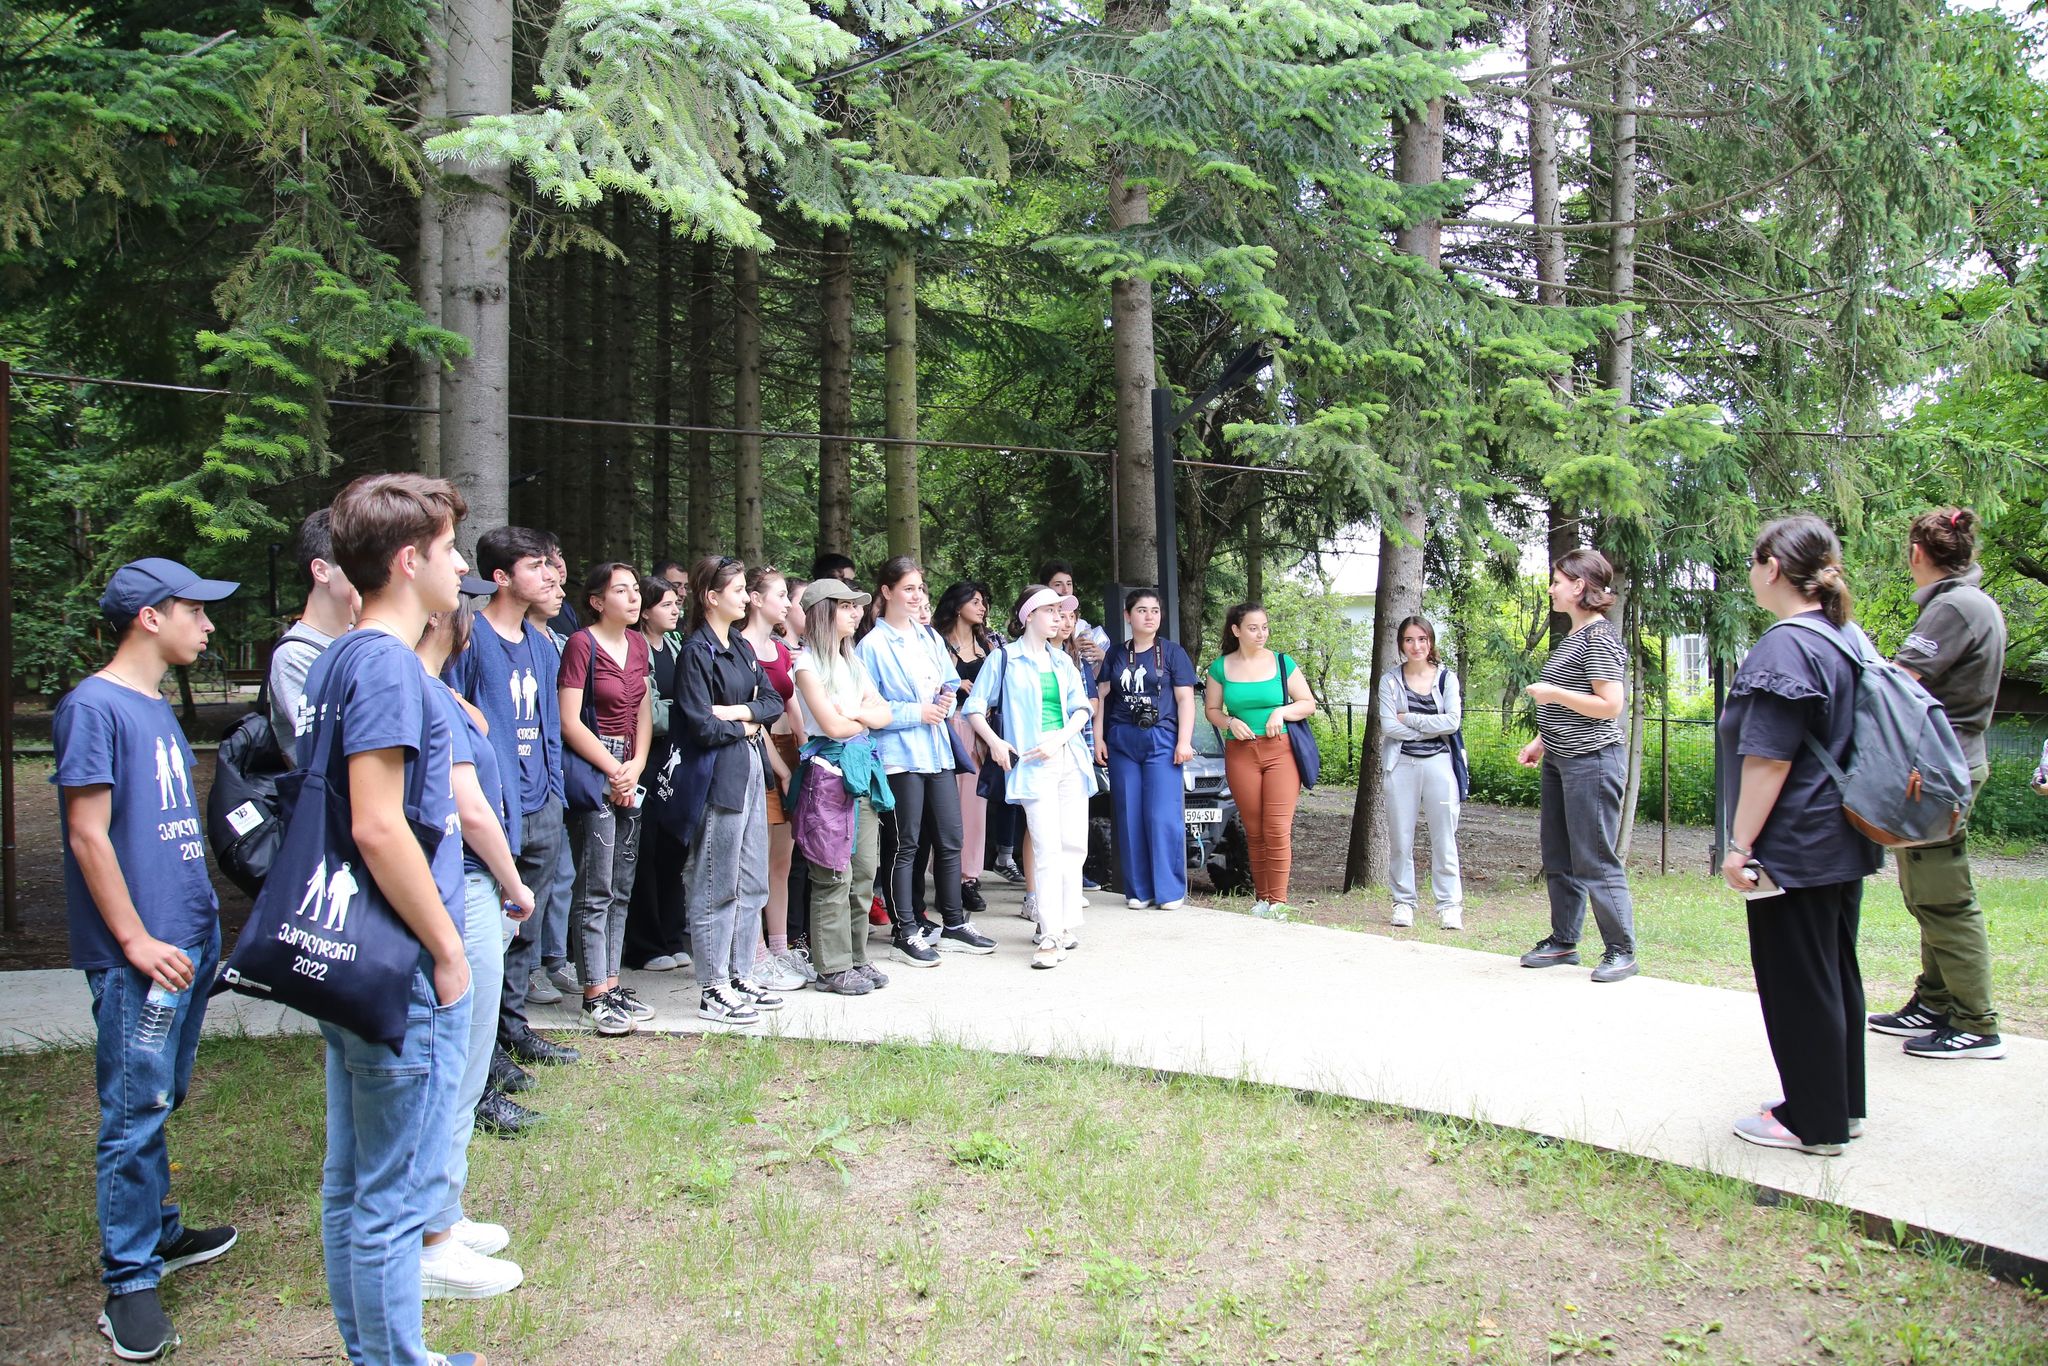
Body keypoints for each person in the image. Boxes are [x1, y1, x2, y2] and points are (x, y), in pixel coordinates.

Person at [301, 472, 490, 1366]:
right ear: (409, 561)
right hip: (399, 958)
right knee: (388, 1194)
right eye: (449, 550)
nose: (459, 568)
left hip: (360, 953)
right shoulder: (382, 664)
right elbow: (378, 824)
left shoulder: (341, 654)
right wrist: (447, 949)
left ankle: (377, 1356)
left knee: (352, 1181)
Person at [56, 557, 240, 1362]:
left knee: (162, 1094)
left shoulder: (153, 703)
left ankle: (160, 1231)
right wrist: (134, 940)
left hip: (187, 937)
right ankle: (129, 1280)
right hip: (143, 953)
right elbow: (87, 835)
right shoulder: (92, 707)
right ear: (150, 616)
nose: (208, 624)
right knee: (134, 1111)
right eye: (196, 610)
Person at [1718, 516, 1881, 1154]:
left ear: (1774, 567)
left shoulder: (1787, 645)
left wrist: (1739, 846)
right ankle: (1841, 1105)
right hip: (1843, 835)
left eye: (1753, 561)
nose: (1750, 573)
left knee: (1796, 980)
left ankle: (1813, 1121)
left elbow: (1769, 758)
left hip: (1796, 843)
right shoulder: (1846, 637)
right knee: (1834, 971)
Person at [415, 604, 533, 1297]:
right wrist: (514, 883)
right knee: (453, 1066)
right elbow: (469, 806)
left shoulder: (434, 690)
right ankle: (431, 1239)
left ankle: (444, 1213)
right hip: (464, 882)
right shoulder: (422, 691)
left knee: (462, 1063)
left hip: (469, 882)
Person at [1868, 507, 2010, 1060]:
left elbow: (1899, 686)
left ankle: (1976, 1022)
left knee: (1945, 900)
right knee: (1929, 895)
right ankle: (1935, 1000)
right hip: (1947, 765)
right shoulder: (1970, 602)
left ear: (1917, 554)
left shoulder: (1953, 607)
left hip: (1939, 771)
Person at [449, 526, 579, 1104]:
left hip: (541, 801)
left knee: (529, 921)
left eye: (551, 564)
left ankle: (513, 1028)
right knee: (490, 930)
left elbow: (550, 723)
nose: (551, 575)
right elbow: (457, 721)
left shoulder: (542, 643)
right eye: (535, 565)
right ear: (500, 577)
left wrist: (553, 789)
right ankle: (485, 1051)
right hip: (492, 807)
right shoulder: (469, 638)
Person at [855, 557, 1000, 964]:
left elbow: (950, 683)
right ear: (887, 592)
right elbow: (868, 706)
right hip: (899, 757)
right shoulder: (872, 646)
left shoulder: (929, 637)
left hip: (937, 752)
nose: (917, 596)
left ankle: (953, 922)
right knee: (905, 844)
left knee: (951, 838)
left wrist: (944, 702)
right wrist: (916, 712)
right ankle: (905, 930)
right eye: (908, 588)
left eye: (920, 588)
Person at [671, 556, 788, 1025]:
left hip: (752, 770)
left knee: (753, 879)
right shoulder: (696, 652)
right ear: (711, 597)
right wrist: (747, 726)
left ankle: (740, 974)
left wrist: (738, 713)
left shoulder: (739, 644)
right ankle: (712, 985)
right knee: (716, 883)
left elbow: (773, 701)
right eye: (737, 590)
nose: (745, 597)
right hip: (718, 777)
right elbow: (700, 725)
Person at [1515, 549, 1640, 983]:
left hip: (1593, 761)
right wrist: (1540, 742)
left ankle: (1622, 950)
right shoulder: (1575, 635)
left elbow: (1610, 705)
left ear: (1579, 586)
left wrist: (1553, 694)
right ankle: (1564, 941)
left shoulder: (1598, 637)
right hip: (1561, 758)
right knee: (1559, 853)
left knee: (1594, 857)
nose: (1551, 589)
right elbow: (1572, 705)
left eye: (1557, 581)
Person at [966, 585, 1099, 968]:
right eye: (1051, 610)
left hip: (1069, 757)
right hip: (1032, 761)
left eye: (1061, 611)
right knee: (1046, 846)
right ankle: (1050, 933)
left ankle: (1063, 923)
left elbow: (1082, 708)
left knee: (1073, 845)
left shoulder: (1062, 660)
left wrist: (1059, 738)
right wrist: (995, 742)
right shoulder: (1005, 658)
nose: (1059, 618)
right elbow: (974, 707)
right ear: (1029, 616)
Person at [558, 562, 654, 1036]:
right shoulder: (582, 644)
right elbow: (569, 720)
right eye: (621, 590)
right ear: (597, 601)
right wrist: (613, 769)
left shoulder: (638, 644)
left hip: (630, 767)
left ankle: (612, 983)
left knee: (621, 881)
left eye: (636, 589)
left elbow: (643, 710)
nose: (634, 598)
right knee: (595, 884)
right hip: (594, 766)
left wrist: (635, 766)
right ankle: (593, 990)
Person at [791, 578, 898, 995]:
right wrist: (861, 715)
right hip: (827, 776)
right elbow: (831, 727)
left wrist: (852, 712)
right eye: (847, 606)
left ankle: (856, 956)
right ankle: (831, 967)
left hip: (861, 771)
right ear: (824, 612)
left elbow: (884, 714)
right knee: (832, 872)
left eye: (857, 606)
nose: (857, 613)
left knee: (864, 870)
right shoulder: (806, 665)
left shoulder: (852, 660)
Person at [1204, 602, 1318, 918]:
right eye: (1253, 628)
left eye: (1264, 627)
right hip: (1242, 753)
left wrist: (1281, 712)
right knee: (1254, 830)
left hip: (1280, 750)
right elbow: (1211, 710)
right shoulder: (1220, 667)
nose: (1261, 634)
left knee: (1277, 828)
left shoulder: (1282, 662)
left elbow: (1307, 703)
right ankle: (1263, 900)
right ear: (1236, 630)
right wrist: (1230, 722)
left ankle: (1278, 902)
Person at [1096, 588, 1197, 910]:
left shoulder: (1172, 653)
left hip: (1161, 738)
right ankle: (1139, 891)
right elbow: (1101, 698)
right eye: (1141, 610)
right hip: (1122, 740)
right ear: (1128, 616)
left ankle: (1169, 891)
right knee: (1129, 815)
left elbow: (1185, 699)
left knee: (1162, 815)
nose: (1149, 616)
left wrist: (1184, 741)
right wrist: (1098, 738)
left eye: (1155, 610)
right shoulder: (1116, 653)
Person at [742, 565, 812, 990]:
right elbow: (754, 717)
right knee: (754, 862)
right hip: (759, 755)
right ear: (755, 599)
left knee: (782, 861)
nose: (787, 603)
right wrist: (782, 769)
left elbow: (791, 704)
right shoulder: (740, 648)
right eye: (781, 594)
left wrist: (805, 749)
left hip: (788, 752)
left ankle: (781, 947)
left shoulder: (781, 651)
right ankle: (754, 955)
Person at [1377, 615, 1466, 930]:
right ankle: (1403, 902)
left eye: (1422, 639)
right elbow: (1389, 726)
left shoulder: (1446, 679)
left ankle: (1449, 906)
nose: (1416, 646)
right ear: (1401, 644)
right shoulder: (1390, 681)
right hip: (1401, 765)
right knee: (1401, 837)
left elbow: (1452, 722)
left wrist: (1411, 719)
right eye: (1409, 640)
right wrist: (1429, 728)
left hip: (1440, 764)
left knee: (1444, 837)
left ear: (1431, 642)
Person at [624, 575, 690, 973]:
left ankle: (671, 935)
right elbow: (647, 711)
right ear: (646, 612)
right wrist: (683, 710)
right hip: (644, 758)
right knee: (644, 850)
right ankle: (645, 945)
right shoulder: (635, 648)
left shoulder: (678, 646)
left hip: (675, 758)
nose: (675, 609)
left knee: (673, 847)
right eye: (666, 604)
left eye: (675, 603)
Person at [269, 508, 359, 766]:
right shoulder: (294, 656)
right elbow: (339, 744)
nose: (374, 572)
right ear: (321, 571)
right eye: (359, 563)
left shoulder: (356, 638)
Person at [937, 582, 1003, 913]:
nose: (982, 607)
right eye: (975, 601)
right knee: (944, 806)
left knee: (974, 807)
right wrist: (953, 684)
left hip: (979, 729)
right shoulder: (937, 642)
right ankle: (944, 877)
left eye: (983, 602)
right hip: (946, 727)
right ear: (957, 604)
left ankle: (968, 878)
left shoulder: (988, 646)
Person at [1037, 560, 1107, 662]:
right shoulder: (1039, 626)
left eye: (1069, 584)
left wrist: (1101, 656)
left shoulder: (1082, 625)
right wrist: (1071, 649)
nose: (1065, 590)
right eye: (1058, 585)